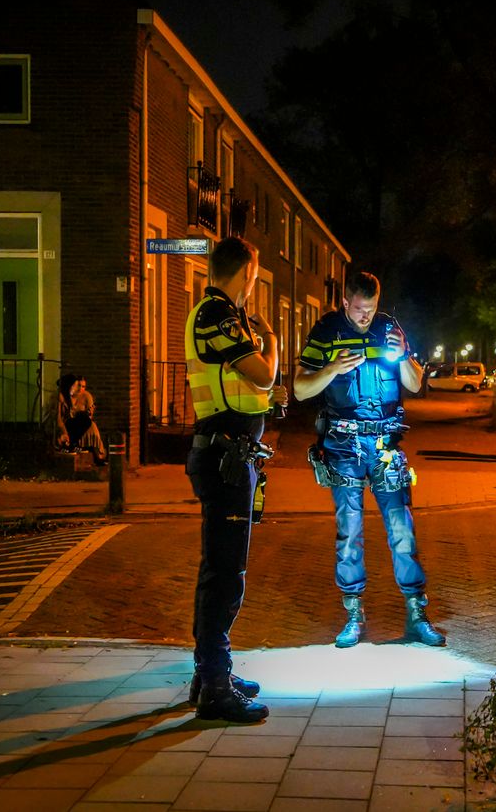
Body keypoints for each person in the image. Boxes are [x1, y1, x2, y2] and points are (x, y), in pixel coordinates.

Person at [293, 271, 445, 648]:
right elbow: (298, 388)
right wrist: (331, 369)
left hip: (386, 445)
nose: (365, 317)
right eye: (359, 309)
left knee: (402, 529)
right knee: (350, 533)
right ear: (345, 302)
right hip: (344, 445)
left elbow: (413, 384)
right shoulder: (326, 330)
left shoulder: (389, 327)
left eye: (371, 309)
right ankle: (353, 615)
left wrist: (405, 353)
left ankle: (416, 614)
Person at [183, 235, 284, 723]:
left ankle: (210, 673)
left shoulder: (222, 316)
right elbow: (263, 375)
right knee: (226, 574)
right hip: (223, 457)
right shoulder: (216, 315)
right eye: (255, 275)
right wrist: (276, 343)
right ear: (247, 272)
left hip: (229, 455)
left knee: (220, 569)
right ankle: (215, 689)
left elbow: (249, 384)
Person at [55, 373, 106, 465]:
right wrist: (65, 433)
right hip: (59, 427)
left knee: (85, 419)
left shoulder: (77, 396)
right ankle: (69, 445)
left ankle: (75, 445)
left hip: (68, 424)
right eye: (75, 386)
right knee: (85, 420)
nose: (77, 389)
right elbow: (57, 419)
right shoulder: (60, 397)